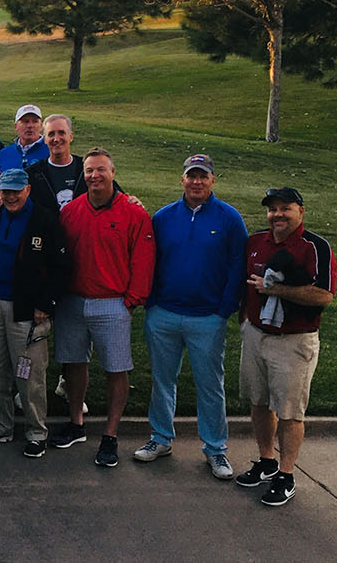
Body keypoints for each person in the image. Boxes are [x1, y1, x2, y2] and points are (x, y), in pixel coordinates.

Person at [136, 154, 246, 478]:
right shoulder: (163, 217)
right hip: (164, 313)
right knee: (162, 380)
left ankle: (216, 449)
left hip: (207, 318)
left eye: (203, 176)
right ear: (181, 179)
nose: (196, 181)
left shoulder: (229, 218)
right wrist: (151, 301)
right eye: (191, 176)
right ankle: (160, 439)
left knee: (210, 385)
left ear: (213, 180)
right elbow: (149, 259)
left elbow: (237, 265)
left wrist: (224, 309)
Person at [52, 148, 155, 467]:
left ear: (113, 173)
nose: (95, 176)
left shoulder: (133, 213)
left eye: (101, 170)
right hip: (73, 300)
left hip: (113, 302)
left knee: (116, 369)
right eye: (89, 171)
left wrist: (132, 301)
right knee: (73, 364)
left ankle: (110, 435)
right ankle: (76, 424)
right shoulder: (71, 211)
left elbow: (143, 259)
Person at [234, 187, 337, 507]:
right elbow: (243, 287)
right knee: (259, 402)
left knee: (290, 412)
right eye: (272, 209)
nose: (277, 215)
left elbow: (324, 296)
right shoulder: (255, 242)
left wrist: (277, 290)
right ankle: (266, 461)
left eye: (285, 208)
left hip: (293, 340)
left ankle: (286, 473)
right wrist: (244, 324)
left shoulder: (314, 247)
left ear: (301, 211)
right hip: (255, 334)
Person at [0, 168, 69, 458]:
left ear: (27, 190)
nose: (10, 196)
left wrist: (45, 304)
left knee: (29, 374)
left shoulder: (45, 219)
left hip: (26, 310)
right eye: (5, 191)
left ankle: (36, 432)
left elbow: (62, 268)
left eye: (16, 190)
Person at [0, 104, 49, 171]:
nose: (30, 126)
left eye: (35, 121)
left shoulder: (51, 151)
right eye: (25, 121)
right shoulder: (4, 154)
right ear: (16, 126)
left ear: (41, 126)